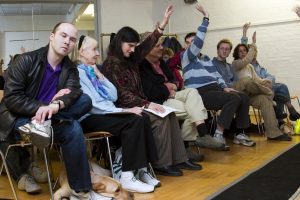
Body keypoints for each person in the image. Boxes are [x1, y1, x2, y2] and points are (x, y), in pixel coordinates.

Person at [102, 5, 201, 177]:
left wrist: (161, 27)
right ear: (120, 42)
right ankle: (161, 163)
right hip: (124, 108)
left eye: (134, 46)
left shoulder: (129, 58)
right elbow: (123, 95)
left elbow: (146, 45)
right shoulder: (112, 64)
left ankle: (179, 158)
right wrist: (148, 104)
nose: (133, 50)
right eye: (130, 46)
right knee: (159, 118)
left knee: (169, 114)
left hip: (139, 103)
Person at [0, 22, 93, 198]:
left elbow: (75, 91)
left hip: (47, 119)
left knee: (85, 101)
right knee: (72, 127)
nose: (67, 41)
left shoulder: (70, 68)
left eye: (72, 39)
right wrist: (43, 106)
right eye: (63, 36)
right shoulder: (25, 60)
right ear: (52, 36)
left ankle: (79, 191)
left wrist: (55, 105)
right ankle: (81, 189)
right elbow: (12, 98)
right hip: (18, 118)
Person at [77, 35, 160, 193]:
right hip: (90, 117)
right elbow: (93, 106)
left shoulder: (94, 70)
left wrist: (100, 76)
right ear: (82, 51)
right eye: (94, 49)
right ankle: (127, 176)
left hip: (106, 113)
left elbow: (113, 95)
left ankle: (141, 169)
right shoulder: (77, 73)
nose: (97, 53)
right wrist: (124, 110)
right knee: (133, 121)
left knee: (143, 117)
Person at [139, 32, 226, 158]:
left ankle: (202, 136)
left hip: (172, 94)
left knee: (193, 92)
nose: (162, 48)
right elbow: (150, 92)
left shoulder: (161, 62)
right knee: (195, 110)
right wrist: (166, 88)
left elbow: (175, 81)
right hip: (158, 101)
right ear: (147, 48)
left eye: (161, 45)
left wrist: (173, 85)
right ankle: (185, 146)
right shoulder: (141, 66)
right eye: (157, 46)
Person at [181, 4, 253, 149]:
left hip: (215, 89)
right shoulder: (186, 57)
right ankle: (218, 135)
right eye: (188, 43)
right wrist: (206, 17)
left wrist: (225, 87)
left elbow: (216, 75)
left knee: (243, 97)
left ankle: (239, 133)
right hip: (200, 93)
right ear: (186, 46)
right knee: (234, 98)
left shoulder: (206, 59)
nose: (191, 45)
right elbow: (198, 42)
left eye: (193, 42)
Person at [232, 28, 292, 141]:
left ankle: (273, 133)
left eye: (244, 51)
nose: (243, 52)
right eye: (240, 51)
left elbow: (258, 80)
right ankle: (271, 94)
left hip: (250, 95)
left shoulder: (249, 67)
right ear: (236, 53)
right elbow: (247, 60)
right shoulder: (236, 64)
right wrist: (253, 43)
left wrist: (267, 82)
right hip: (240, 93)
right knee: (247, 80)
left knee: (265, 101)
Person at [241, 22, 300, 123]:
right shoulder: (246, 64)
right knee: (280, 88)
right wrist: (245, 33)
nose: (253, 53)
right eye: (251, 51)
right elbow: (243, 47)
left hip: (267, 87)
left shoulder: (260, 67)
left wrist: (268, 81)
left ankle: (280, 119)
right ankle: (289, 109)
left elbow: (271, 77)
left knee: (281, 88)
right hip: (256, 89)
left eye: (254, 51)